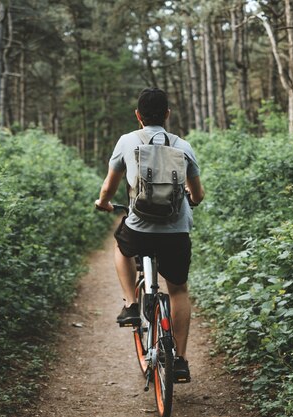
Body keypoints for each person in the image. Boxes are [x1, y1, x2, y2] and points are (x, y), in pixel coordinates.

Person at [95, 87, 205, 382]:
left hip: (140, 227)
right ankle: (180, 360)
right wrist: (190, 201)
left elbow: (108, 187)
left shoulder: (127, 141)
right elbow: (198, 194)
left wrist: (103, 203)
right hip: (176, 231)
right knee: (179, 289)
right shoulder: (183, 146)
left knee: (121, 248)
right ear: (168, 114)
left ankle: (131, 305)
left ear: (138, 116)